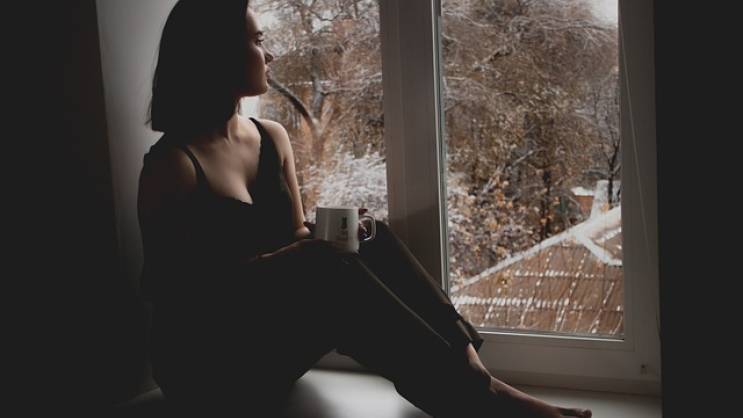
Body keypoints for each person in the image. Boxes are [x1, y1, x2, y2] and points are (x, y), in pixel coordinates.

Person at [137, 1, 592, 417]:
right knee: (326, 267)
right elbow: (180, 296)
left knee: (371, 232)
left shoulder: (270, 136)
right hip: (209, 371)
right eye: (257, 41)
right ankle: (484, 398)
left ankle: (476, 375)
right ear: (216, 54)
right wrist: (296, 258)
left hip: (274, 343)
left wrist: (326, 239)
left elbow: (295, 235)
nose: (269, 53)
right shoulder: (172, 166)